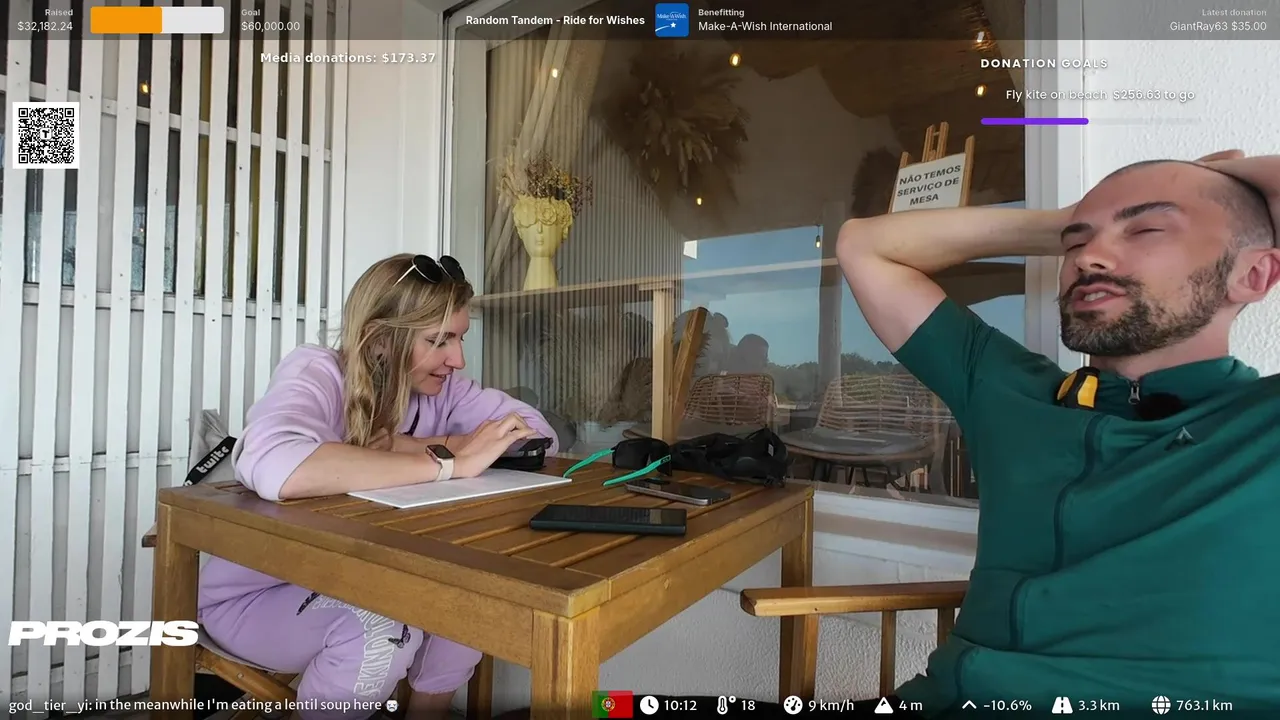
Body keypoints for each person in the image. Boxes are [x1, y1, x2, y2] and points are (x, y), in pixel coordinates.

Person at [828, 150, 1280, 717]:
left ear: (1255, 275)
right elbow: (864, 247)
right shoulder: (1011, 393)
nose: (1087, 257)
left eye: (1147, 229)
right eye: (1076, 245)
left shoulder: (1264, 424)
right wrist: (1065, 222)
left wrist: (1228, 182)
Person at [197, 253, 557, 720]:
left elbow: (536, 435)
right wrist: (446, 464)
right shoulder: (319, 372)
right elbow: (278, 466)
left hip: (364, 576)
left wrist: (421, 445)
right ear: (382, 338)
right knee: (380, 629)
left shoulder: (443, 392)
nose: (458, 359)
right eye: (439, 340)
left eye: (460, 337)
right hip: (259, 596)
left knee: (469, 599)